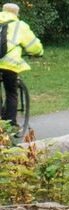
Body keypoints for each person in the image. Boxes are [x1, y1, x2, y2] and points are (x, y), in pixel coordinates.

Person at [0, 2, 41, 130]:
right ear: (16, 13)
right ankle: (10, 127)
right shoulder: (20, 26)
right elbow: (34, 46)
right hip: (9, 64)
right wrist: (38, 53)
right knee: (11, 92)